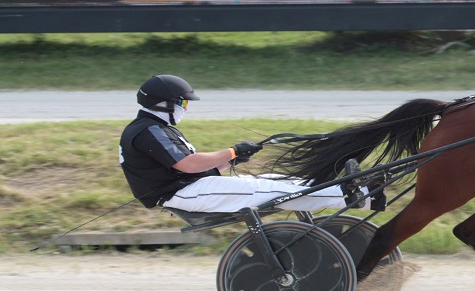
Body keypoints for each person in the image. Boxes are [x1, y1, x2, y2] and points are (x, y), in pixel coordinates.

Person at [119, 75, 370, 214]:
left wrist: (232, 160)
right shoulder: (148, 130)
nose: (185, 108)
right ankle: (352, 195)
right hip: (182, 194)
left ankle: (357, 192)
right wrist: (232, 150)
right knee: (267, 190)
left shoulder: (157, 129)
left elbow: (195, 168)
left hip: (192, 188)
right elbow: (188, 165)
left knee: (276, 181)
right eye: (182, 102)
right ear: (163, 103)